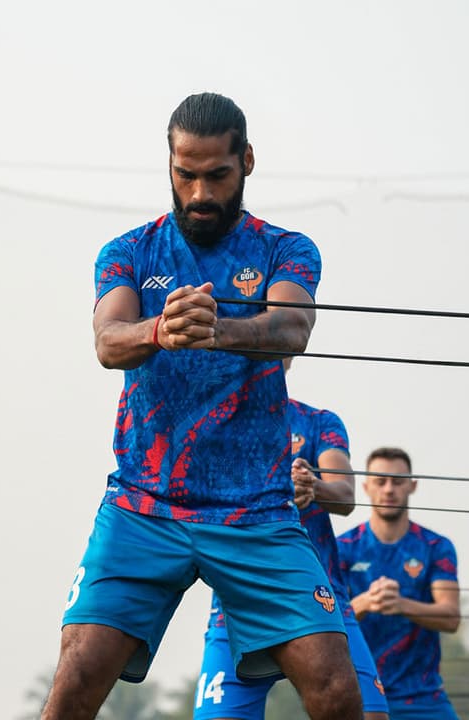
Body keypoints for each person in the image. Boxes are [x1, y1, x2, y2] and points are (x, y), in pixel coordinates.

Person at [43, 92, 362, 720]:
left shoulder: (285, 248)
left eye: (216, 175)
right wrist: (158, 330)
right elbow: (109, 341)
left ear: (246, 161)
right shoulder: (128, 251)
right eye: (185, 174)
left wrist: (220, 328)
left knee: (335, 690)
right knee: (74, 682)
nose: (199, 193)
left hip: (256, 513)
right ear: (168, 164)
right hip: (143, 506)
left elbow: (292, 327)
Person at [193, 361, 389, 720]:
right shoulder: (213, 420)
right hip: (239, 602)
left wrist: (314, 487)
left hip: (320, 596)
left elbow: (345, 494)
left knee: (371, 716)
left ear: (288, 356)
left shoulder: (318, 422)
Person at [337, 447, 462, 720]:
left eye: (398, 481)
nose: (389, 489)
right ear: (367, 486)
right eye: (381, 481)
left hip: (423, 696)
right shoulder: (343, 549)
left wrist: (402, 604)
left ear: (412, 485)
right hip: (361, 693)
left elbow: (451, 617)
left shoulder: (435, 547)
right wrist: (365, 603)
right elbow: (327, 621)